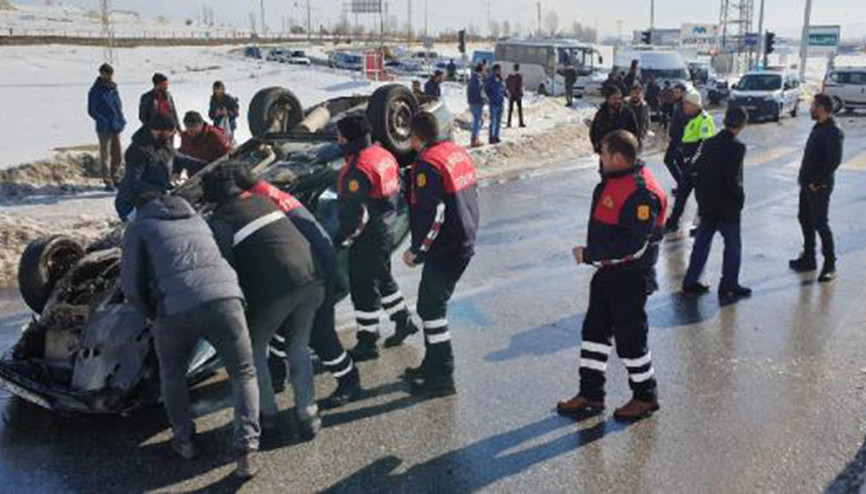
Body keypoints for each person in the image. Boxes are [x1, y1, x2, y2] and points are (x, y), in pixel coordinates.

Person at [120, 191, 260, 479]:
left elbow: (132, 288)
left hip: (175, 310)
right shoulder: (198, 220)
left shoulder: (138, 227)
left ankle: (184, 442)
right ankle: (247, 451)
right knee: (244, 372)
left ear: (140, 208)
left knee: (172, 374)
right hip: (226, 299)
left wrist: (152, 313)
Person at [203, 166, 325, 440]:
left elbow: (226, 268)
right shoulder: (262, 200)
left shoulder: (221, 218)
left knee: (254, 349)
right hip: (312, 278)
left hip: (277, 291)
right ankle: (309, 414)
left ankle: (267, 417)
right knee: (298, 345)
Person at [557, 130, 667, 422]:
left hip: (629, 278)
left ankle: (645, 397)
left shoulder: (641, 192)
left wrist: (591, 255)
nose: (600, 158)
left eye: (603, 153)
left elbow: (635, 246)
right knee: (594, 333)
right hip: (608, 274)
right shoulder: (616, 179)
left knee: (631, 342)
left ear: (618, 157)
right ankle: (591, 394)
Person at [233, 169, 362, 408]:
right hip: (315, 261)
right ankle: (277, 375)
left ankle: (350, 380)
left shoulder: (260, 202)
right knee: (284, 323)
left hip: (316, 268)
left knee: (319, 333)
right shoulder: (268, 191)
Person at [401, 112, 480, 395]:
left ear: (417, 137)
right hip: (463, 238)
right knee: (428, 305)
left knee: (432, 308)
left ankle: (443, 374)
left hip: (446, 247)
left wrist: (417, 251)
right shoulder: (456, 152)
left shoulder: (427, 165)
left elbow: (434, 214)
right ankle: (432, 363)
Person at [334, 115, 419, 361]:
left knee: (362, 287)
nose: (337, 139)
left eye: (340, 135)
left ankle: (367, 341)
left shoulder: (356, 169)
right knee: (382, 277)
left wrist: (342, 240)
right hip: (386, 227)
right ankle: (403, 320)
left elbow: (357, 214)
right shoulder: (382, 154)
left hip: (367, 236)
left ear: (349, 138)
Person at [682, 107, 752, 303]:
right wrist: (740, 198)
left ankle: (690, 281)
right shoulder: (737, 147)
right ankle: (729, 284)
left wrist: (702, 198)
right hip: (727, 205)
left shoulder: (709, 142)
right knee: (732, 246)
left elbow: (697, 170)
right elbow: (733, 178)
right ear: (742, 124)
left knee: (702, 243)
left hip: (708, 202)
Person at [789, 93, 844, 282]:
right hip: (807, 184)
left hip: (819, 186)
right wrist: (804, 179)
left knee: (820, 223)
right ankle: (808, 258)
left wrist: (817, 182)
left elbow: (834, 161)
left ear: (820, 108)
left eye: (812, 105)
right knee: (804, 218)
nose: (810, 108)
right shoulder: (819, 126)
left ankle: (830, 265)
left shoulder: (833, 131)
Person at [665, 89, 716, 233]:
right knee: (681, 195)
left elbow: (704, 144)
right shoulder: (692, 118)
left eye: (687, 103)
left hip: (699, 167)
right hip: (689, 164)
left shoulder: (704, 119)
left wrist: (693, 162)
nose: (684, 106)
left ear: (695, 105)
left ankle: (701, 225)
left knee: (701, 198)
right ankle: (673, 222)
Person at [114, 113, 176, 221]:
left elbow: (179, 157)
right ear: (159, 130)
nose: (171, 135)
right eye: (169, 132)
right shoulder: (138, 150)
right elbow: (133, 181)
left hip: (153, 199)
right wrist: (161, 191)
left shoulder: (163, 144)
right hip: (131, 205)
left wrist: (205, 164)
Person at [87, 63, 126, 191]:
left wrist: (121, 120)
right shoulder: (95, 90)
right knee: (105, 155)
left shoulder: (113, 88)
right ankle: (107, 180)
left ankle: (115, 176)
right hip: (104, 127)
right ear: (101, 74)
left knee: (117, 154)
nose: (109, 76)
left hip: (115, 125)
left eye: (110, 74)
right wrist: (102, 120)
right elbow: (91, 109)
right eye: (106, 74)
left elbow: (118, 106)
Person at [177, 111, 232, 175]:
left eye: (194, 127)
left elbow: (227, 153)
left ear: (201, 125)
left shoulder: (215, 135)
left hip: (214, 171)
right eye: (188, 127)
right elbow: (182, 154)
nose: (191, 131)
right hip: (195, 174)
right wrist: (177, 171)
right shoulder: (185, 137)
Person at [589, 86, 639, 155]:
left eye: (619, 98)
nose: (618, 101)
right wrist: (598, 147)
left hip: (623, 153)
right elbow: (594, 132)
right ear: (608, 99)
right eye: (614, 98)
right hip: (606, 153)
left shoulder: (627, 113)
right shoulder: (601, 113)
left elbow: (634, 132)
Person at [663, 83, 687, 186]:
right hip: (675, 137)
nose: (675, 94)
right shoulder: (677, 103)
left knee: (668, 160)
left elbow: (684, 122)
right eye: (675, 92)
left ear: (683, 93)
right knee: (680, 161)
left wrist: (681, 140)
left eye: (678, 92)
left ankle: (682, 183)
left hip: (678, 138)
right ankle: (683, 183)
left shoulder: (682, 105)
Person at [485, 64, 506, 145]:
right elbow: (487, 89)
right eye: (498, 70)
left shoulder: (501, 79)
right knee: (493, 121)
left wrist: (505, 94)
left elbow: (503, 88)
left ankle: (497, 136)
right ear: (495, 70)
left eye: (500, 70)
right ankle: (491, 137)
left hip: (500, 102)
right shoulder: (490, 79)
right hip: (493, 103)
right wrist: (490, 97)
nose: (499, 71)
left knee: (498, 121)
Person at [467, 64, 486, 148]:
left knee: (478, 121)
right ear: (481, 70)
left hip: (472, 102)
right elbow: (479, 92)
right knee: (477, 122)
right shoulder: (477, 80)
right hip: (477, 103)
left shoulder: (472, 78)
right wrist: (483, 100)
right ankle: (474, 140)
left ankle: (475, 138)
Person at [505, 63, 526, 128]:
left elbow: (507, 83)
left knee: (510, 109)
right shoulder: (519, 76)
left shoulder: (510, 75)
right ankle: (520, 122)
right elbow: (519, 86)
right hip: (517, 94)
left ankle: (509, 123)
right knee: (519, 109)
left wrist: (509, 91)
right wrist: (519, 94)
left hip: (511, 94)